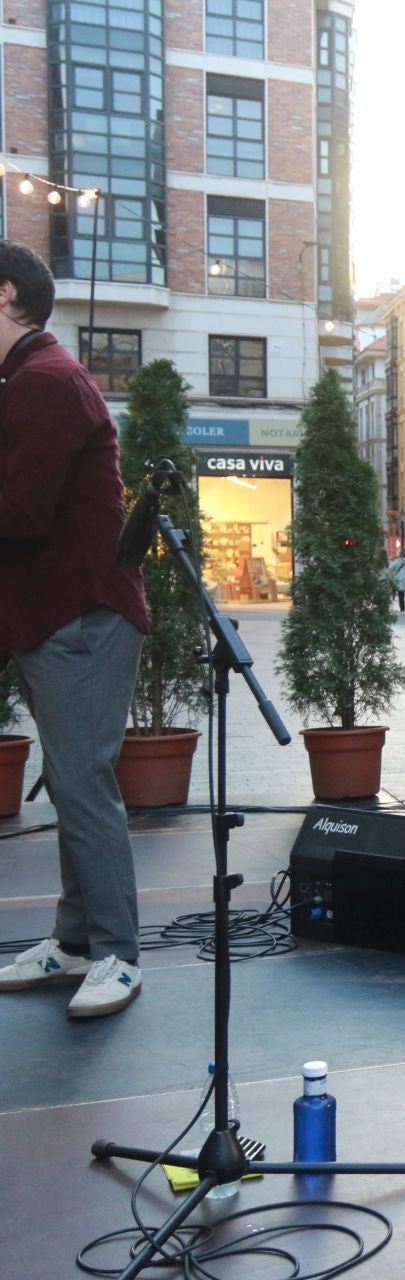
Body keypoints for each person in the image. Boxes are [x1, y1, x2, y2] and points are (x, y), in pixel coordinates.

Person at [0, 240, 150, 1018]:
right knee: (70, 777)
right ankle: (74, 938)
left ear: (3, 296)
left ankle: (118, 954)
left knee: (83, 783)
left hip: (82, 619)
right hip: (63, 615)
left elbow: (20, 512)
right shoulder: (31, 377)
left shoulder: (45, 382)